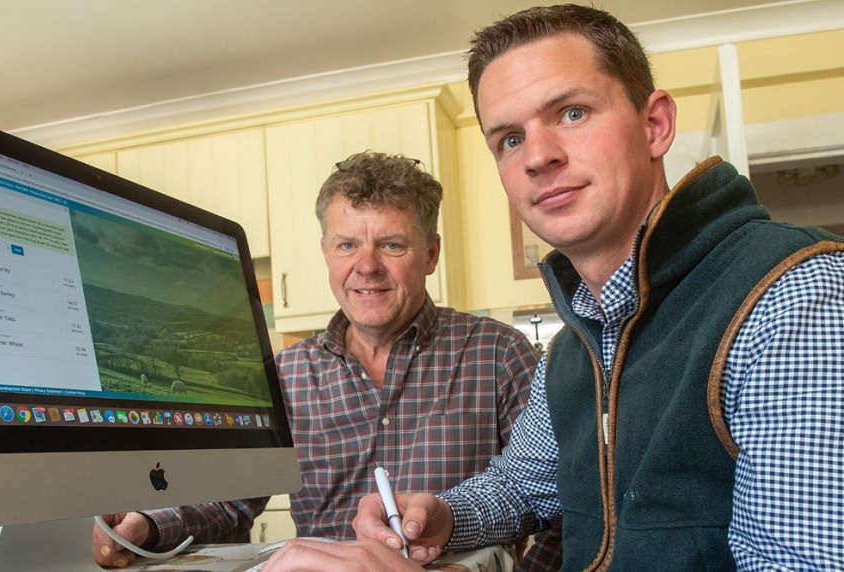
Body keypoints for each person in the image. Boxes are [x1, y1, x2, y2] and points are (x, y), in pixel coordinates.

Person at [265, 4, 844, 571]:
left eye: (571, 113)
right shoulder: (575, 344)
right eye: (510, 139)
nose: (538, 156)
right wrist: (444, 515)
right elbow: (521, 488)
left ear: (655, 125)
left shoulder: (794, 294)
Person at [93, 151, 563, 570]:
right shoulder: (288, 373)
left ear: (431, 254)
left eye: (391, 244)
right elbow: (233, 500)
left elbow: (554, 498)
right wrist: (148, 527)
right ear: (325, 253)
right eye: (346, 245)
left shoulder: (499, 354)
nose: (366, 265)